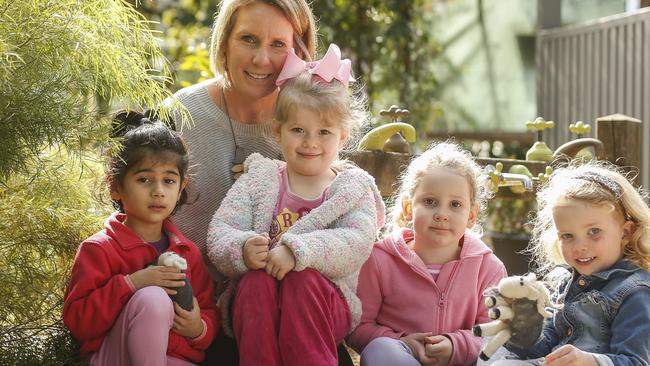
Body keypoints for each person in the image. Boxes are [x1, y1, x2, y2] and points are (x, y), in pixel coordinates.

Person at [206, 44, 385, 366]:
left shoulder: (350, 188)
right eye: (298, 130)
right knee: (256, 281)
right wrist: (243, 248)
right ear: (278, 132)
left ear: (343, 136)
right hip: (260, 308)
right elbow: (221, 231)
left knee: (303, 281)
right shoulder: (260, 179)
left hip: (326, 306)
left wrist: (297, 251)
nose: (310, 142)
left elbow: (356, 242)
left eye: (324, 132)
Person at [62, 111, 219, 366]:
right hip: (114, 357)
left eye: (168, 180)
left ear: (181, 189)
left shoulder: (186, 251)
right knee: (153, 298)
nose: (158, 191)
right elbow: (78, 321)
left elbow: (208, 311)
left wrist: (198, 328)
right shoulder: (100, 249)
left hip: (173, 358)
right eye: (144, 179)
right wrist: (132, 284)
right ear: (115, 186)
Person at [171, 0, 317, 256]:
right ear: (225, 42)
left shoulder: (311, 127)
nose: (261, 59)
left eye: (278, 44)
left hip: (274, 289)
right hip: (176, 286)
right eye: (248, 39)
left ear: (300, 53)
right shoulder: (178, 114)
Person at [347, 141, 507, 366]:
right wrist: (403, 342)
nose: (442, 214)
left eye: (455, 205)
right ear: (408, 209)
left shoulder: (488, 268)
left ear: (471, 215)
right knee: (380, 349)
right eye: (430, 202)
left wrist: (455, 346)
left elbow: (496, 333)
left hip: (464, 363)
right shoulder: (379, 260)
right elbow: (358, 328)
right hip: (402, 359)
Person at [488, 161, 650, 366]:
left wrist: (590, 361)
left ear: (625, 232)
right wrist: (519, 324)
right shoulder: (566, 282)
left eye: (594, 232)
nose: (580, 246)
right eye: (567, 235)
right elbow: (541, 346)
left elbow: (636, 361)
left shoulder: (635, 291)